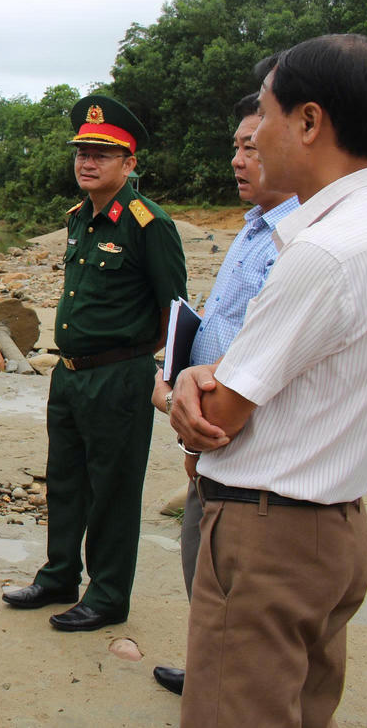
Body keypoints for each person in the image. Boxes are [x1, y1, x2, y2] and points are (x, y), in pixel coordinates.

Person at [171, 34, 367, 727]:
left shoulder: (320, 250)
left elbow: (220, 417)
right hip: (336, 524)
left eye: (264, 112)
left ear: (310, 122)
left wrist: (183, 391)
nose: (253, 132)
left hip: (270, 536)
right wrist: (212, 373)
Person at [1, 95, 186, 631]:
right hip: (71, 373)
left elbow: (173, 310)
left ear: (129, 165)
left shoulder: (147, 224)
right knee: (65, 480)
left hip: (119, 376)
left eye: (103, 154)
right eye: (82, 151)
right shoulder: (79, 218)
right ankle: (59, 574)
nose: (87, 161)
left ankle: (107, 595)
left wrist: (152, 370)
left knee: (113, 490)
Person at [147, 93, 298, 696]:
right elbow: (228, 322)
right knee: (202, 565)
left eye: (251, 147)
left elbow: (260, 353)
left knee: (234, 576)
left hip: (238, 436)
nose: (238, 160)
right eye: (235, 146)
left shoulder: (296, 243)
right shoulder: (251, 230)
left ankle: (225, 681)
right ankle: (210, 663)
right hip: (211, 435)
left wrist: (178, 405)